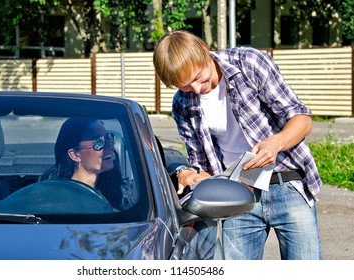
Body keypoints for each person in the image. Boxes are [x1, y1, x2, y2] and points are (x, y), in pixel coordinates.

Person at [153, 30, 322, 260]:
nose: (195, 90)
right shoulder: (183, 104)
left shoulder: (249, 64)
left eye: (197, 78)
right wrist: (188, 173)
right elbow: (203, 166)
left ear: (205, 51)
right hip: (238, 193)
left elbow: (302, 118)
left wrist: (275, 143)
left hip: (287, 183)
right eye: (184, 86)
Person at [40, 117, 136, 211]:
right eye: (99, 142)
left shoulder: (124, 192)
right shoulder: (49, 197)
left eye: (109, 138)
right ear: (75, 155)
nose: (110, 146)